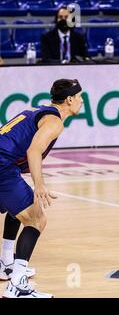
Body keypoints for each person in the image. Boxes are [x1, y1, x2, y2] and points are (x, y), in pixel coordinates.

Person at [0, 79, 84, 298]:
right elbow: (33, 151)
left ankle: (7, 263)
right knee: (37, 219)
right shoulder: (54, 122)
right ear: (69, 99)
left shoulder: (37, 110)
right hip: (2, 166)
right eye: (80, 97)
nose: (82, 101)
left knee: (17, 209)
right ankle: (17, 285)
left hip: (4, 165)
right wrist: (40, 185)